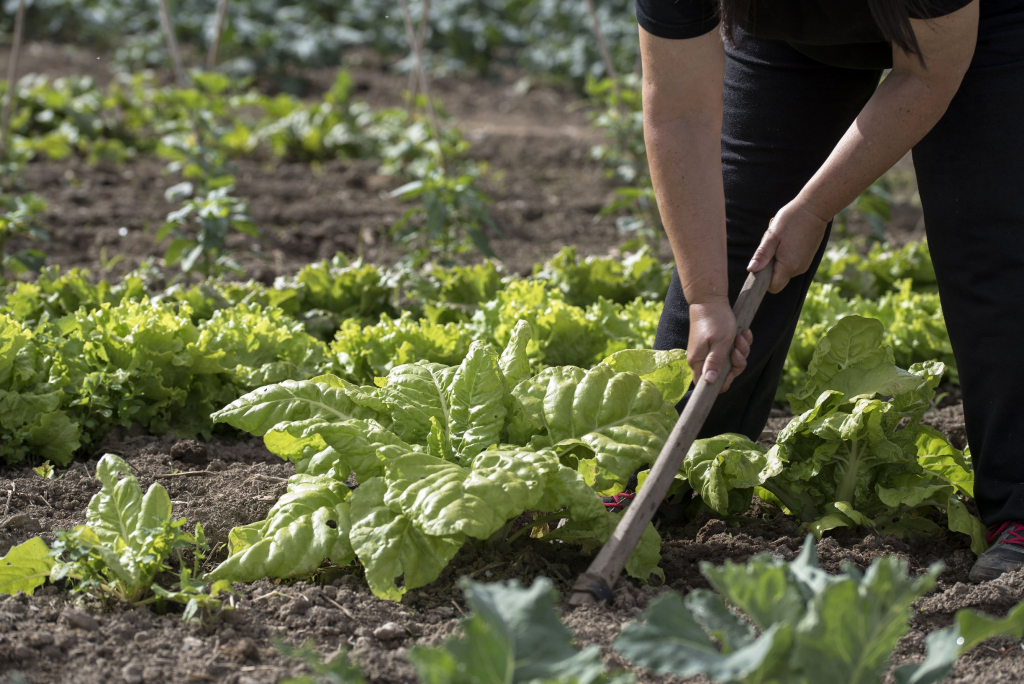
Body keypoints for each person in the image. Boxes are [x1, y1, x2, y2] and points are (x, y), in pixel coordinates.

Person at [630, 0, 1024, 582]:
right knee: (742, 238)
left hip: (980, 23)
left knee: (992, 243)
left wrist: (814, 207)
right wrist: (706, 297)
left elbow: (928, 72)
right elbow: (678, 110)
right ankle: (665, 476)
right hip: (792, 35)